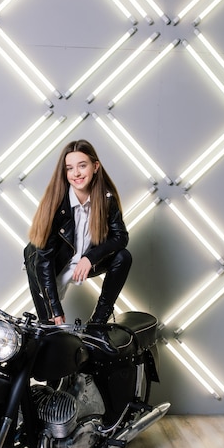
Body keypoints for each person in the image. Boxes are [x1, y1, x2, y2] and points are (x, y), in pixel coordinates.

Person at [24, 139, 132, 336]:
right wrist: (54, 309)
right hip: (49, 266)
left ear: (95, 166)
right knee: (48, 332)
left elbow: (121, 237)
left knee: (123, 256)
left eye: (82, 166)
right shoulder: (56, 204)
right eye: (69, 168)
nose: (76, 173)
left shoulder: (106, 199)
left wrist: (90, 258)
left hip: (82, 264)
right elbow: (44, 261)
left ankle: (97, 323)